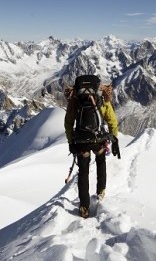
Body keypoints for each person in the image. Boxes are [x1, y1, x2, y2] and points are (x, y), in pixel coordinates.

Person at [64, 75, 119, 218]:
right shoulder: (101, 99)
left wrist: (71, 142)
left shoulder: (75, 100)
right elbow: (111, 120)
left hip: (81, 141)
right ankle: (101, 191)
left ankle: (84, 207)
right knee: (101, 162)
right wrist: (114, 138)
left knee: (83, 172)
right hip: (97, 140)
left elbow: (68, 123)